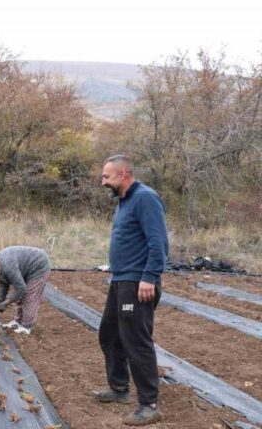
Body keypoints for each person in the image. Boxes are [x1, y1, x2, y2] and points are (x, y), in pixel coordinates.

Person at [95, 154, 168, 426]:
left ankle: (149, 404)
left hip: (138, 283)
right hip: (121, 280)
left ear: (123, 173)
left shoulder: (145, 198)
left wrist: (149, 276)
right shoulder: (125, 201)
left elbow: (157, 241)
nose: (103, 182)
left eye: (107, 176)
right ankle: (119, 388)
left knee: (136, 341)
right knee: (110, 334)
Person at [0, 246, 51, 335]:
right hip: (26, 269)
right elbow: (3, 283)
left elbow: (21, 289)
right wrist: (0, 297)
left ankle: (26, 326)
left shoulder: (7, 265)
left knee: (28, 297)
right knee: (19, 296)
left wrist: (7, 303)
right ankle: (18, 321)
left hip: (39, 266)